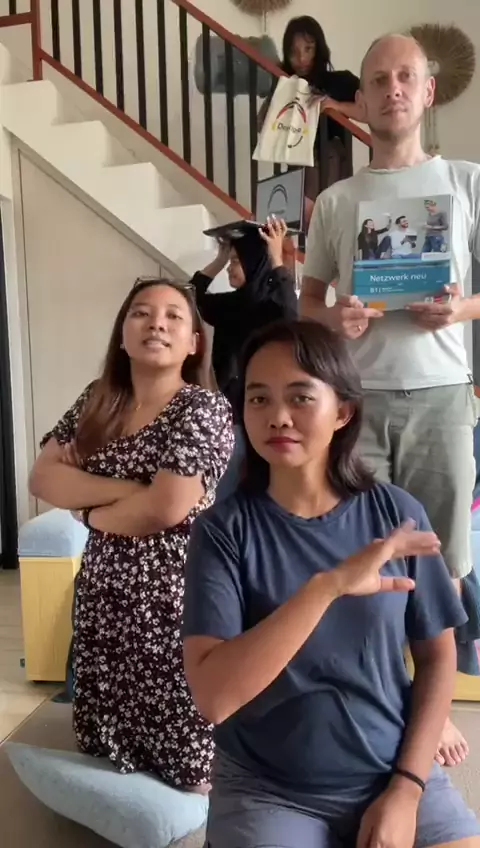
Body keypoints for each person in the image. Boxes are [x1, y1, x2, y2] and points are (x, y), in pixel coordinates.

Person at [182, 319, 480, 848]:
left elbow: (437, 657)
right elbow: (214, 697)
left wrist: (407, 789)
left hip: (390, 767)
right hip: (268, 786)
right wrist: (327, 587)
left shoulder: (397, 514)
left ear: (342, 411)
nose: (277, 416)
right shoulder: (223, 531)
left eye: (300, 397)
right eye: (258, 398)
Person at [300, 32, 480, 767]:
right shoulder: (338, 200)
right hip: (358, 401)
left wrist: (461, 310)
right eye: (379, 79)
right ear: (363, 98)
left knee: (443, 559)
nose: (393, 89)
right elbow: (306, 301)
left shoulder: (466, 182)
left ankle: (434, 708)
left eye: (406, 77)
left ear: (428, 92)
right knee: (358, 557)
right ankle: (373, 700)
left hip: (442, 397)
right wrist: (334, 317)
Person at [29, 278, 234, 790]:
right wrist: (130, 490)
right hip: (103, 591)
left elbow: (166, 508)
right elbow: (43, 478)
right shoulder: (98, 400)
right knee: (104, 747)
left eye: (173, 316)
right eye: (141, 313)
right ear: (122, 335)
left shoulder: (202, 408)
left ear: (194, 343)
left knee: (187, 762)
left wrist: (89, 511)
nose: (156, 324)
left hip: (176, 593)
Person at [258, 16, 364, 226]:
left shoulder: (339, 81)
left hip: (331, 159)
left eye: (308, 49)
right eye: (294, 52)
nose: (301, 58)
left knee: (330, 220)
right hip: (298, 161)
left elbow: (369, 109)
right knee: (303, 222)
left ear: (319, 49)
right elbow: (262, 125)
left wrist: (337, 106)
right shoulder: (284, 84)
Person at [191, 216, 297, 408]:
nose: (228, 269)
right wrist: (220, 260)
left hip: (265, 403)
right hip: (229, 405)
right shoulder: (231, 305)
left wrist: (275, 257)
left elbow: (290, 312)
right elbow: (189, 298)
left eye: (235, 261)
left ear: (253, 262)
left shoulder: (272, 306)